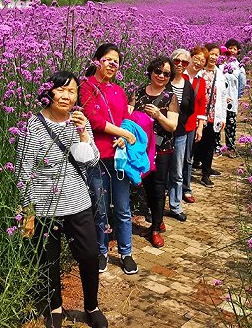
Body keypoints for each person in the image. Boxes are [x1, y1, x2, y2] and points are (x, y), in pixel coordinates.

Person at [16, 71, 108, 328]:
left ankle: (92, 305)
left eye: (72, 91)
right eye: (61, 90)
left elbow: (91, 161)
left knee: (89, 255)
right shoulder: (32, 126)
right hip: (45, 205)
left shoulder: (80, 121)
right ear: (49, 92)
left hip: (78, 202)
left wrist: (83, 135)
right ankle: (54, 307)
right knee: (49, 259)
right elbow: (24, 171)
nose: (67, 96)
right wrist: (28, 210)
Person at [80, 43, 139, 275]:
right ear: (96, 60)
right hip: (97, 156)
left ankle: (126, 252)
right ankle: (101, 250)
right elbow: (93, 120)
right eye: (108, 59)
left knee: (123, 207)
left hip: (119, 157)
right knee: (100, 208)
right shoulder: (86, 87)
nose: (112, 64)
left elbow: (126, 119)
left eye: (116, 61)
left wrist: (124, 137)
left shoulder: (118, 90)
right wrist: (123, 133)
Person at [131, 56, 179, 248]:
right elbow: (128, 115)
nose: (161, 76)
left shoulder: (170, 97)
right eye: (158, 71)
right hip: (142, 148)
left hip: (162, 148)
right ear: (150, 72)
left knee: (159, 187)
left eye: (166, 73)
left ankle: (156, 229)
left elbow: (172, 126)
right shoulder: (139, 93)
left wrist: (159, 115)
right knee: (147, 186)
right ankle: (156, 221)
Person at [166, 49, 195, 221]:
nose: (180, 65)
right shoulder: (163, 80)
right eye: (177, 61)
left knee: (177, 171)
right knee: (159, 171)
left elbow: (190, 109)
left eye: (185, 63)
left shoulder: (188, 86)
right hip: (162, 135)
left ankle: (175, 206)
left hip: (180, 135)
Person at [193, 43, 226, 187]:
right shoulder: (198, 72)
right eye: (211, 54)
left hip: (213, 114)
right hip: (198, 114)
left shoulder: (220, 74)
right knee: (195, 143)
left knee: (210, 145)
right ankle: (193, 165)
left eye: (216, 55)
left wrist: (223, 117)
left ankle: (205, 174)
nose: (213, 57)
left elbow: (223, 97)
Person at [181, 47, 208, 203]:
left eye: (202, 61)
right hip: (175, 123)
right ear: (190, 58)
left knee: (187, 158)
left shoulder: (201, 81)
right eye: (196, 58)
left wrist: (200, 126)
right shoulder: (179, 76)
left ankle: (186, 188)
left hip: (191, 125)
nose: (198, 62)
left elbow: (201, 104)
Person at [220, 39, 246, 158]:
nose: (231, 50)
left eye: (234, 48)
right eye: (229, 48)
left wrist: (236, 96)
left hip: (232, 99)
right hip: (219, 99)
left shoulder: (239, 67)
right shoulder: (220, 64)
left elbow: (242, 84)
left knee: (231, 124)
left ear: (237, 51)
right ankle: (217, 148)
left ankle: (230, 147)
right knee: (217, 123)